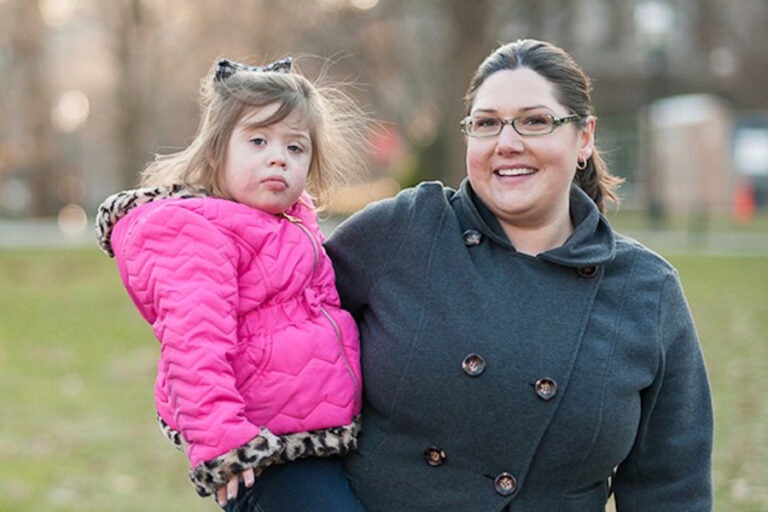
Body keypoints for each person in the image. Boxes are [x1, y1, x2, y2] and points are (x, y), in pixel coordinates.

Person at [325, 39, 713, 511]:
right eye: (487, 124)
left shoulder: (646, 291)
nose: (507, 143)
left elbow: (671, 489)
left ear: (584, 137)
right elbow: (273, 329)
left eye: (535, 121)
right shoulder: (405, 230)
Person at [95, 57, 367, 511]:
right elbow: (193, 343)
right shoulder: (197, 231)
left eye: (296, 148)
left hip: (314, 437)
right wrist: (225, 445)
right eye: (258, 141)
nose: (278, 157)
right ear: (217, 153)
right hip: (264, 452)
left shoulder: (291, 226)